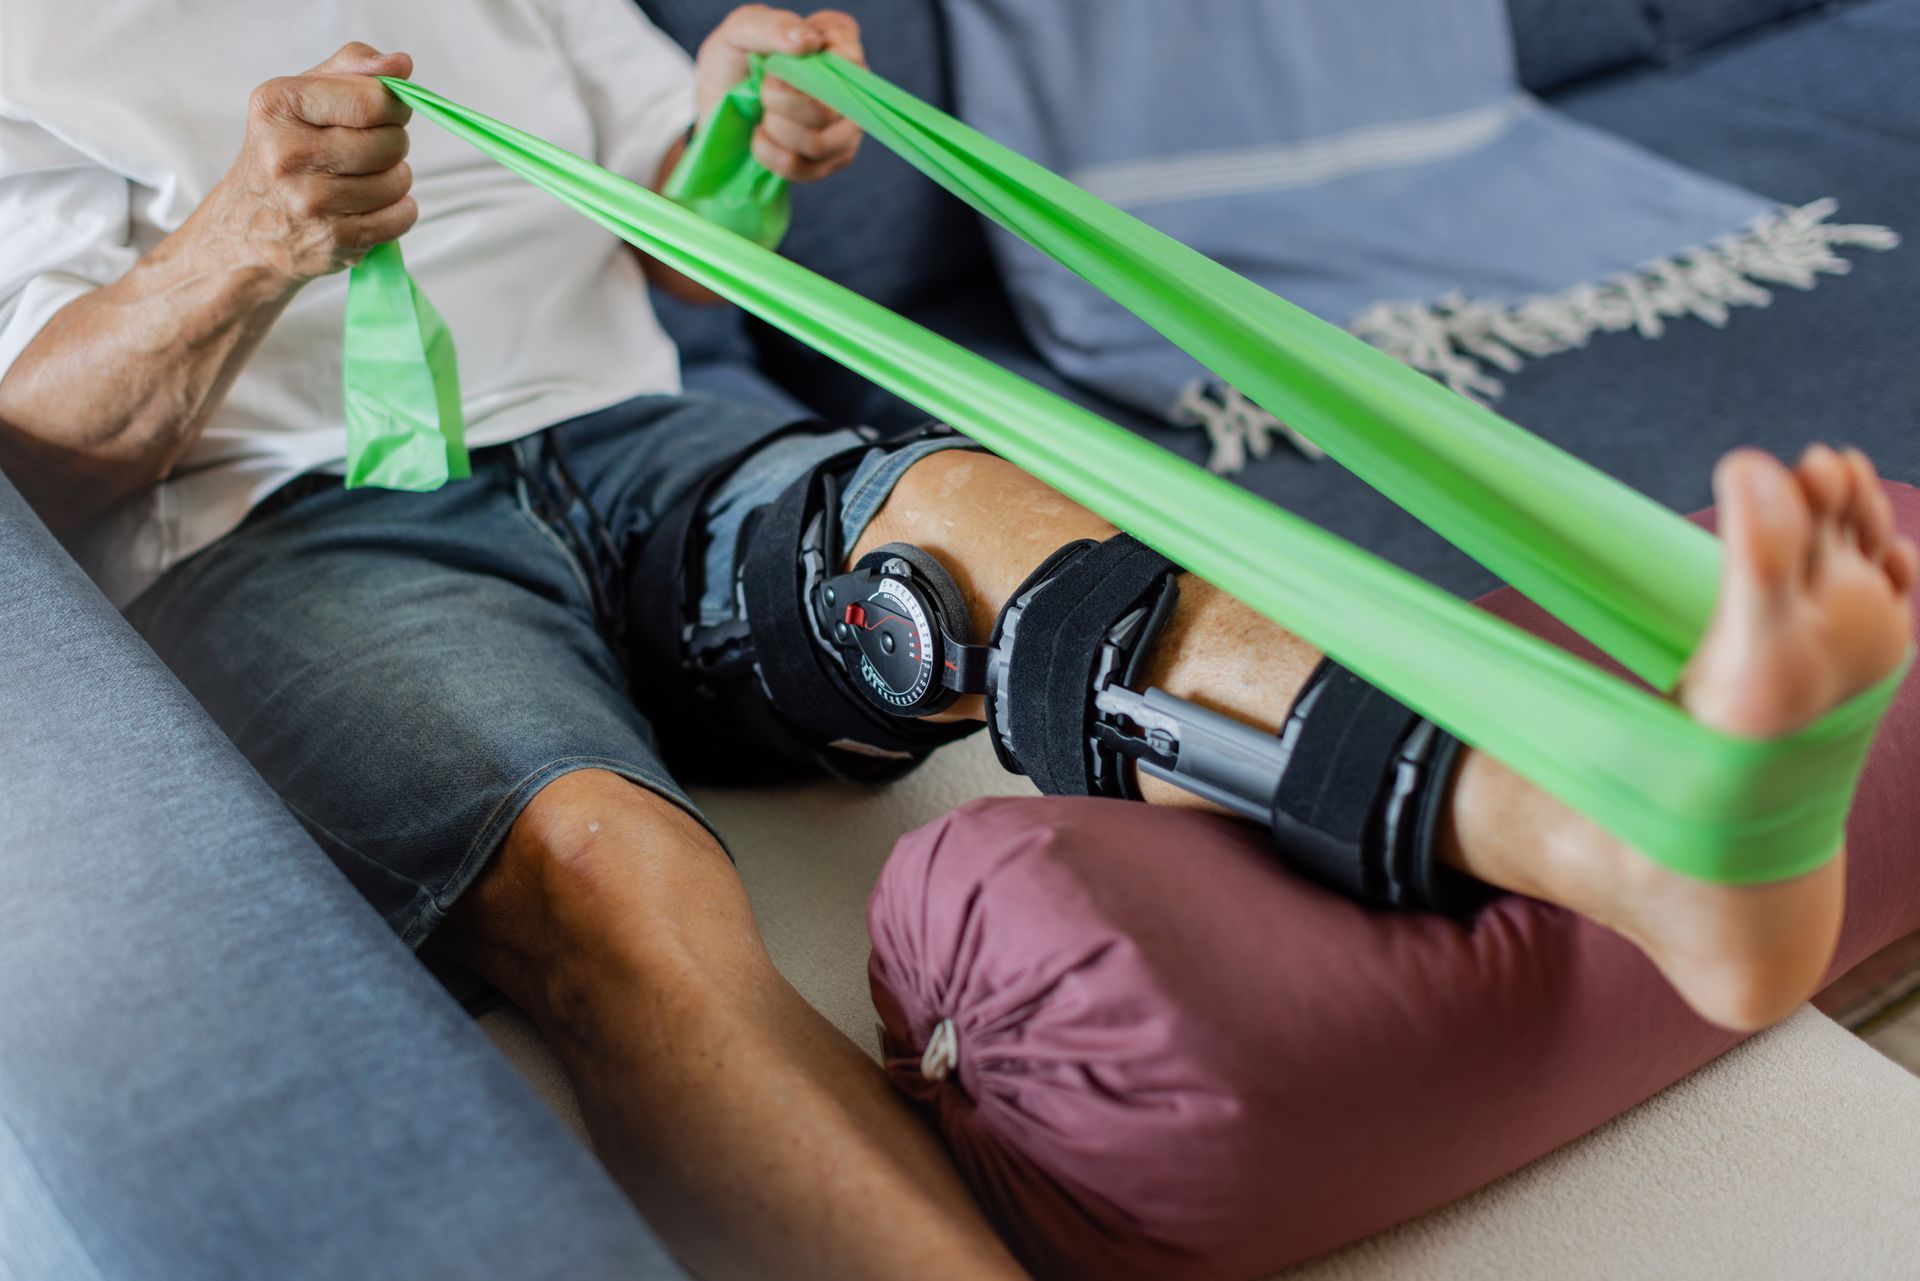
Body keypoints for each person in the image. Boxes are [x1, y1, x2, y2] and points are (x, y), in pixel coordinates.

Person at [0, 3, 1911, 1279]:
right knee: (609, 881)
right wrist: (236, 246)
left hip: (635, 447)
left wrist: (752, 120)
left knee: (979, 515)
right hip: (300, 524)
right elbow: (29, 468)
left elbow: (684, 244)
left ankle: (1627, 848)